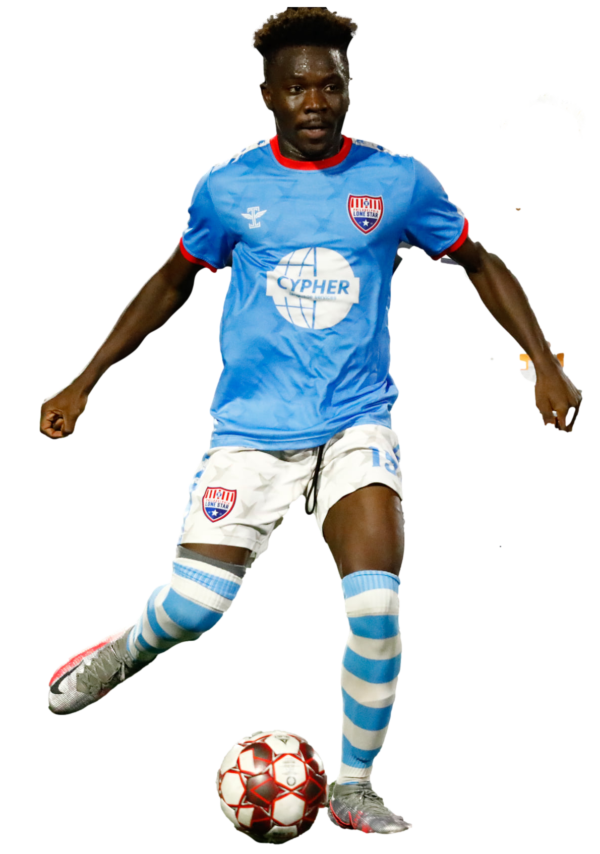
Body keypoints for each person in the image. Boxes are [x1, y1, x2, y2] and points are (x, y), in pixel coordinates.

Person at [40, 4, 583, 839]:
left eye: (331, 85)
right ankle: (129, 648)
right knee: (195, 609)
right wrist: (84, 381)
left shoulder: (398, 181)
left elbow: (480, 262)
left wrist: (544, 363)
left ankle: (354, 787)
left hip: (356, 424)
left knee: (376, 607)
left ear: (350, 89)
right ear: (268, 96)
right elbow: (173, 281)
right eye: (297, 88)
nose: (316, 101)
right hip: (252, 432)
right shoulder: (229, 188)